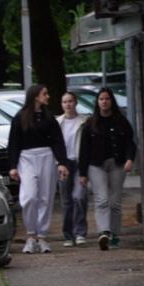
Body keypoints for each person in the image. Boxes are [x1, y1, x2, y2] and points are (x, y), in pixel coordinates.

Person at [5, 84, 68, 254]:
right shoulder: (20, 117)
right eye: (44, 94)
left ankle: (42, 236)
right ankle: (31, 234)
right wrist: (12, 166)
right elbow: (14, 143)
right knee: (30, 197)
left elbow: (57, 140)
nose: (47, 96)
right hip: (26, 158)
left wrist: (62, 162)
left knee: (46, 197)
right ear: (35, 96)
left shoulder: (49, 118)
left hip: (46, 156)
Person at [77, 87, 136, 251]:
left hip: (117, 163)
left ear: (112, 101)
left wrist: (130, 159)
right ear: (97, 102)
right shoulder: (90, 123)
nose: (104, 102)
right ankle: (104, 232)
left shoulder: (121, 121)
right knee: (101, 199)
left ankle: (115, 234)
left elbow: (130, 142)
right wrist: (82, 173)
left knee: (115, 202)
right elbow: (84, 150)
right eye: (101, 99)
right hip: (96, 165)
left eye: (107, 99)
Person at [56, 91, 88, 246]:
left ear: (76, 103)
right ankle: (68, 235)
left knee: (79, 196)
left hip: (79, 162)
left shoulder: (84, 122)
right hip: (63, 163)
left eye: (70, 101)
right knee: (66, 200)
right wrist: (58, 163)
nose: (68, 104)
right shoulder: (58, 122)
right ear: (61, 105)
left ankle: (80, 232)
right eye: (64, 102)